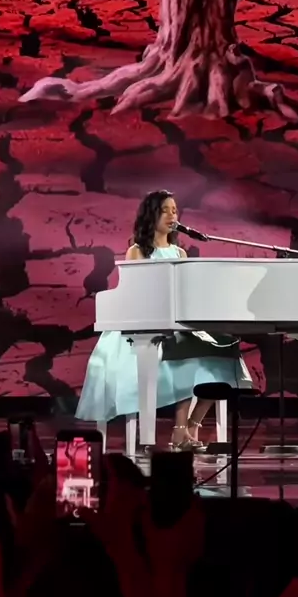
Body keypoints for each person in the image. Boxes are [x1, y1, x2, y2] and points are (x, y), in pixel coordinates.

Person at [76, 190, 252, 450]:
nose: (172, 215)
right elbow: (135, 293)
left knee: (225, 351)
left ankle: (192, 425)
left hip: (180, 323)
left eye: (175, 210)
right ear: (152, 216)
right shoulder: (137, 251)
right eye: (165, 210)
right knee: (184, 355)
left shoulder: (179, 253)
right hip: (149, 324)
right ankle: (180, 431)